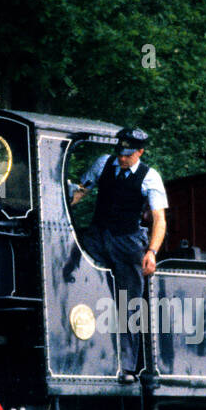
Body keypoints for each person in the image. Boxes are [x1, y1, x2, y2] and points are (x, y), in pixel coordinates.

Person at [70, 127, 167, 383]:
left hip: (128, 241)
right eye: (120, 153)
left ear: (140, 152)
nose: (122, 159)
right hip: (98, 236)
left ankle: (126, 367)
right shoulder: (103, 163)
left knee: (130, 302)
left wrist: (152, 252)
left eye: (127, 155)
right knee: (78, 282)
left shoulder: (150, 178)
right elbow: (82, 190)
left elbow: (159, 219)